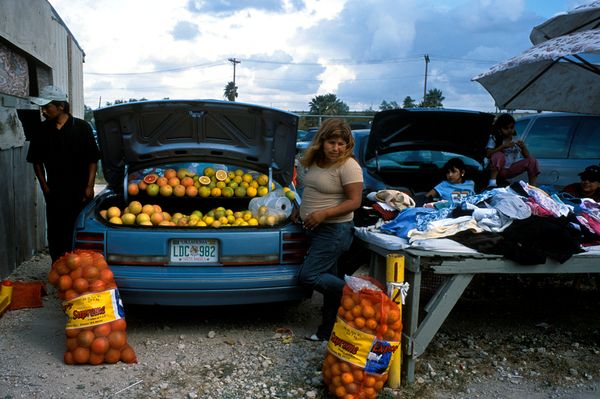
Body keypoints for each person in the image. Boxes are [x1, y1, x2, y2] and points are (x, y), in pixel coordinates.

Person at [296, 118, 363, 342]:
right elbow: (310, 190)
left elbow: (355, 201)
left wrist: (323, 214)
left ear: (347, 145)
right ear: (321, 141)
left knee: (309, 276)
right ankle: (327, 331)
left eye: (341, 143)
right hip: (316, 229)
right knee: (329, 279)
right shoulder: (315, 161)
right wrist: (300, 210)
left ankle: (359, 297)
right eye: (331, 142)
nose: (336, 148)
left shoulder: (348, 165)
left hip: (335, 230)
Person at [27, 85, 100, 262]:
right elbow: (36, 162)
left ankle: (80, 270)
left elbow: (92, 159)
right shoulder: (41, 130)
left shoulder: (82, 128)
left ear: (61, 106)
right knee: (56, 233)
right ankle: (58, 268)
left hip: (81, 192)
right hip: (55, 192)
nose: (43, 111)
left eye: (47, 107)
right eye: (41, 108)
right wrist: (45, 188)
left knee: (79, 230)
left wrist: (89, 186)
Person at [486, 113, 540, 187]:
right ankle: (492, 182)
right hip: (498, 170)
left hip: (510, 169)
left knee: (532, 161)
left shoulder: (516, 139)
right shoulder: (494, 138)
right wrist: (502, 147)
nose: (509, 130)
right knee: (499, 155)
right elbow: (488, 154)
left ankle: (532, 186)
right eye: (506, 128)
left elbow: (527, 157)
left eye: (511, 127)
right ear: (499, 129)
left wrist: (523, 147)